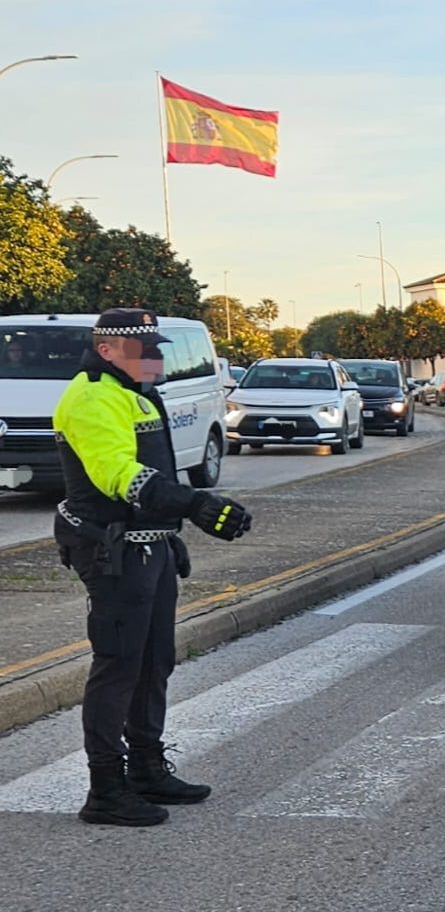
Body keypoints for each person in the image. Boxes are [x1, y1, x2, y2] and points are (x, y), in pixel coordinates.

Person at [52, 308, 254, 828]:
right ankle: (105, 790)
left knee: (153, 662)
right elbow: (119, 473)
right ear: (108, 350)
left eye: (159, 348)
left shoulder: (134, 391)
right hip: (111, 550)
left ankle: (145, 767)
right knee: (119, 665)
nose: (159, 358)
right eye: (148, 350)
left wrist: (172, 533)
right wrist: (194, 505)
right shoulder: (92, 396)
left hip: (148, 547)